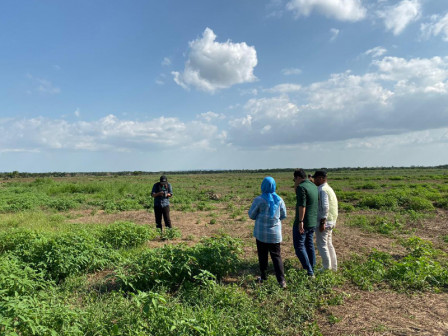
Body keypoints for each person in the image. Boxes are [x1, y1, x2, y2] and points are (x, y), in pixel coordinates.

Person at [248, 176, 287, 288]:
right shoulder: (279, 200)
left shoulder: (259, 200)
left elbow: (251, 215)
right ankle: (282, 281)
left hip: (261, 234)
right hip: (275, 235)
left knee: (262, 255)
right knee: (276, 256)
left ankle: (263, 277)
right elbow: (283, 215)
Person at [293, 168, 318, 277]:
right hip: (312, 221)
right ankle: (312, 267)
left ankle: (309, 271)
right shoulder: (313, 185)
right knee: (309, 244)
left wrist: (300, 221)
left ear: (298, 178)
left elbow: (302, 205)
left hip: (304, 221)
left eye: (294, 180)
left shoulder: (301, 188)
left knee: (299, 247)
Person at [312, 170, 338, 272]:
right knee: (329, 244)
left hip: (325, 222)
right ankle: (333, 267)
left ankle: (327, 268)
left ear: (321, 178)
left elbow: (325, 206)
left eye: (316, 178)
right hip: (331, 220)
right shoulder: (328, 188)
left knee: (322, 245)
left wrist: (322, 222)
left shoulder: (322, 190)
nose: (314, 180)